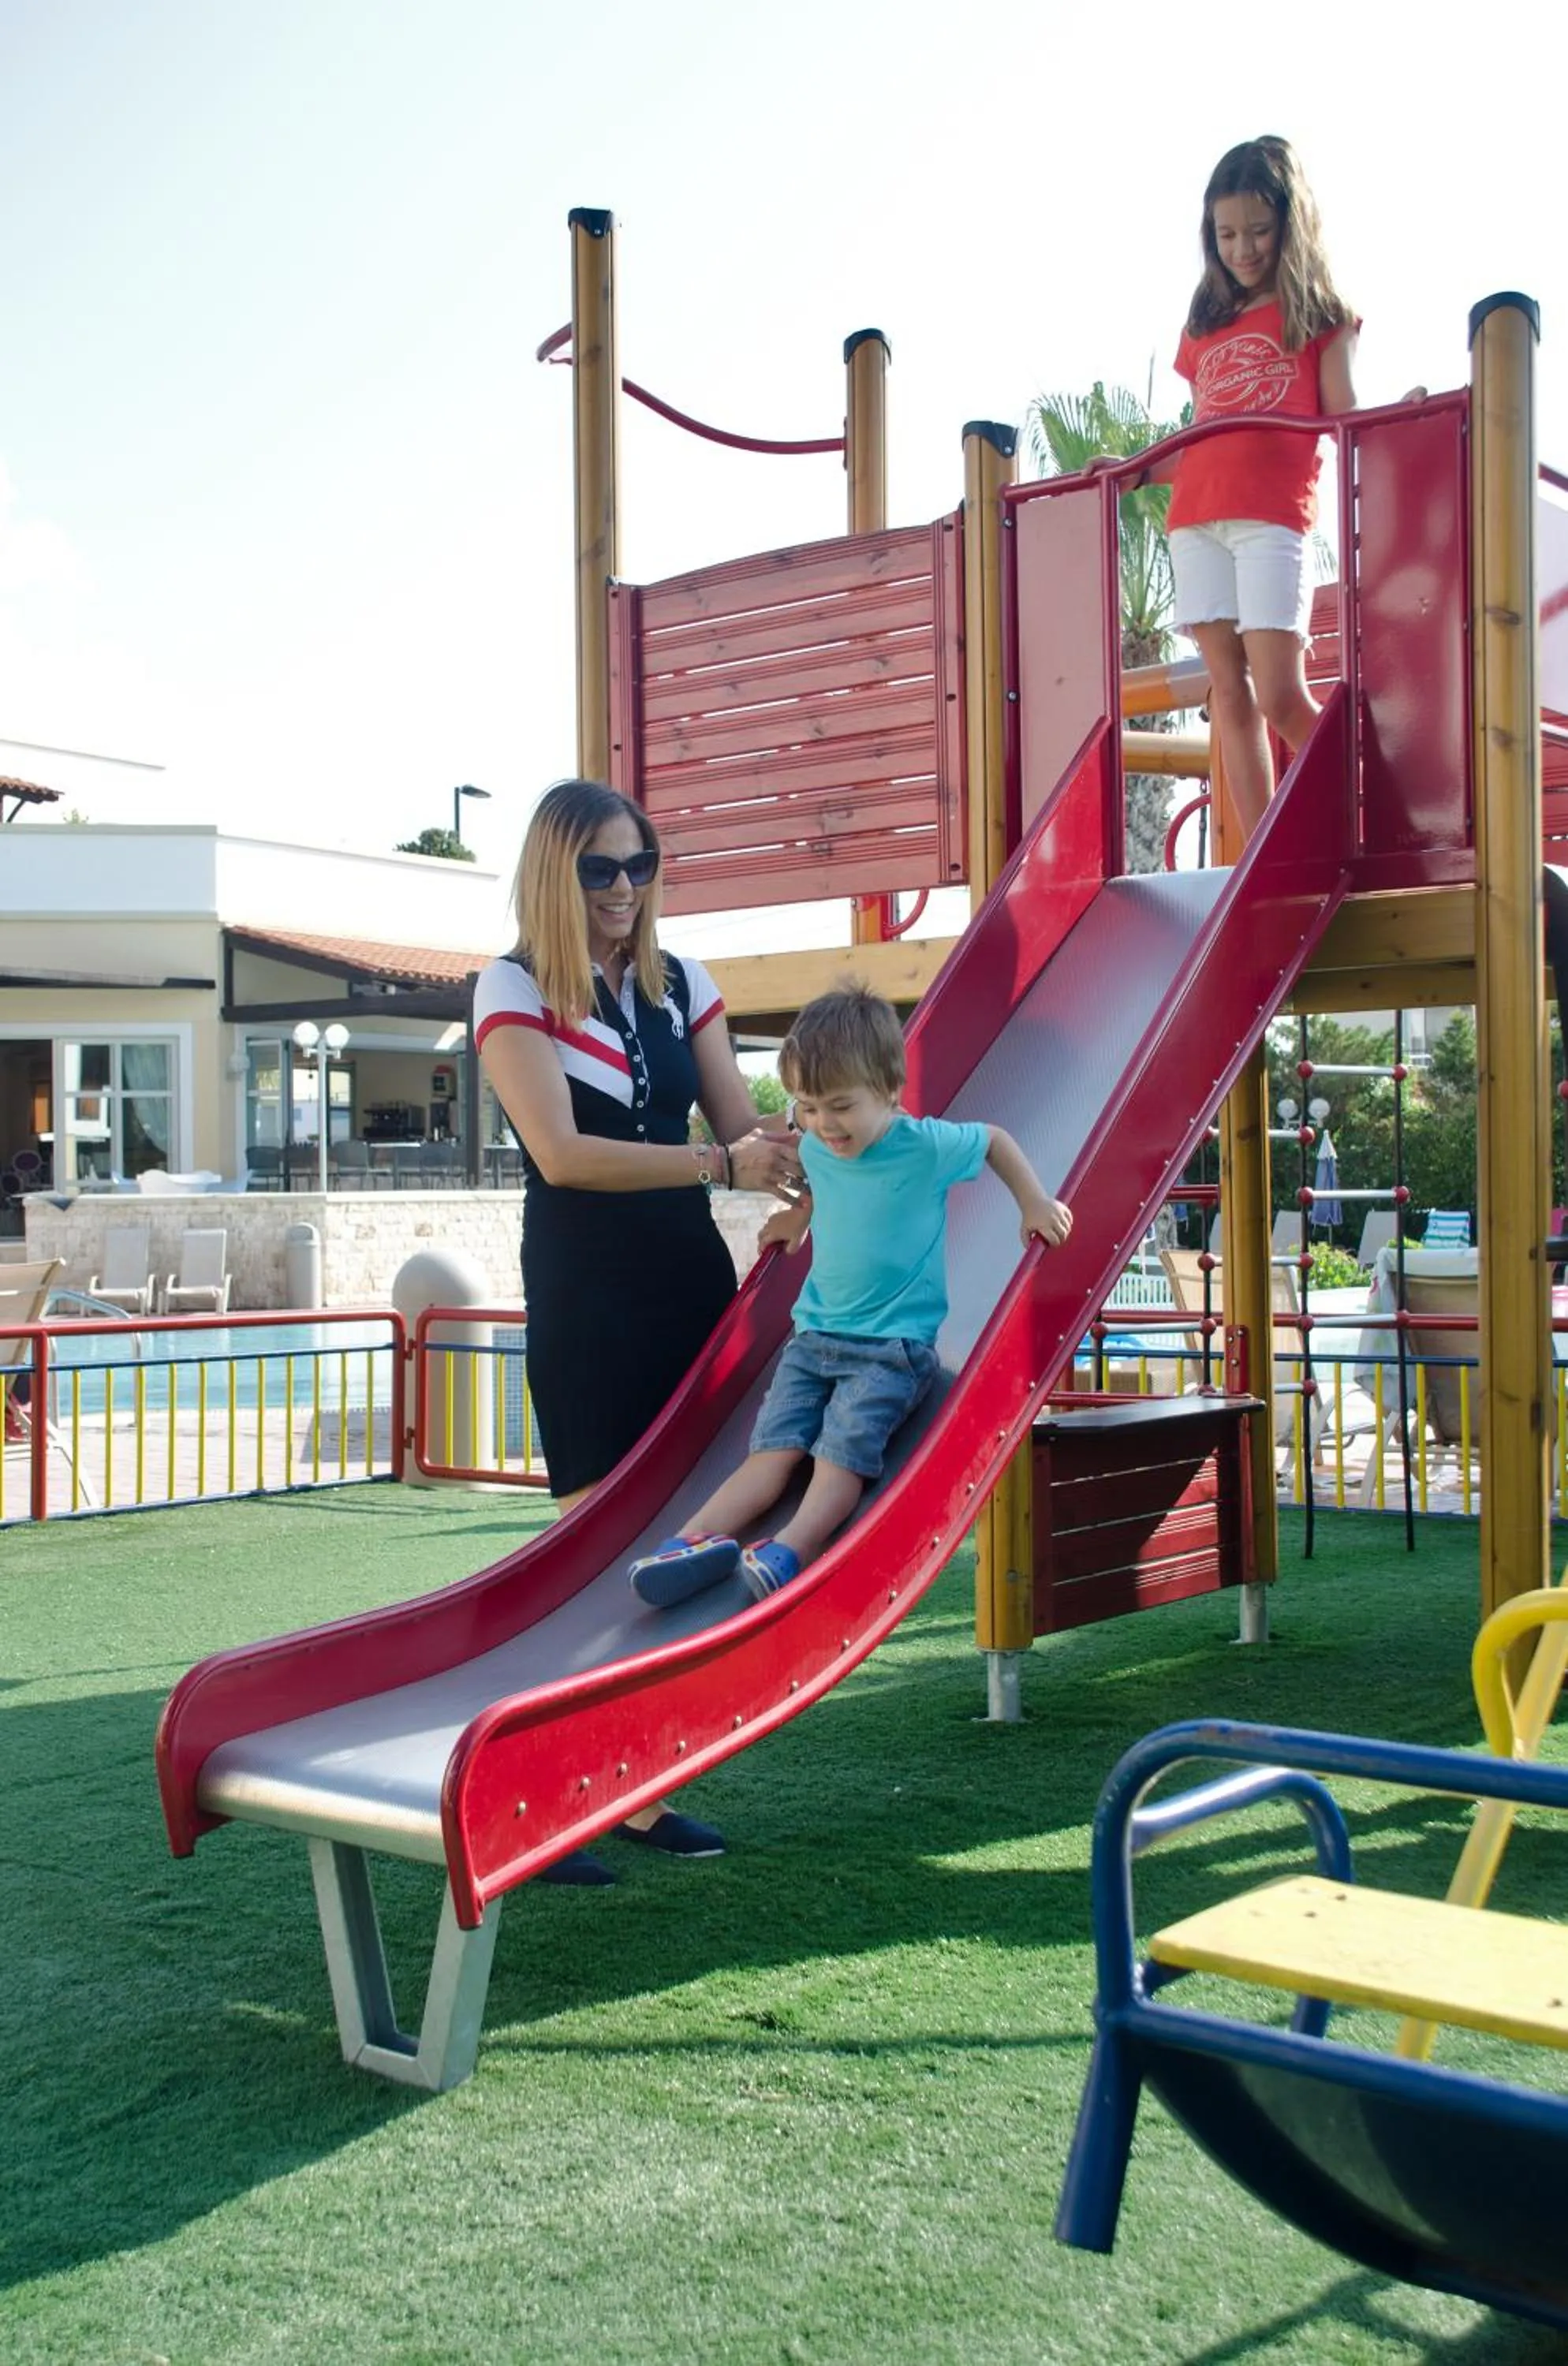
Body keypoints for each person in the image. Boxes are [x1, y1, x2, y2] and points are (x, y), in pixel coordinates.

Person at [474, 778, 800, 1879]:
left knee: (681, 1549)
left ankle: (638, 1793)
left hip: (688, 1285)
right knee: (592, 1559)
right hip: (586, 1289)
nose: (624, 888)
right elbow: (564, 1155)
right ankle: (525, 1792)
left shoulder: (680, 984)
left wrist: (823, 1153)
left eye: (639, 865)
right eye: (599, 869)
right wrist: (723, 1165)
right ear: (553, 875)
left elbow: (746, 1126)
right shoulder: (509, 987)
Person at [627, 983, 1072, 1608]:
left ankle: (793, 1548)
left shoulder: (923, 1145)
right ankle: (687, 1544)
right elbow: (822, 1179)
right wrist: (798, 1217)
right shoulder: (816, 1143)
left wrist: (1033, 1201)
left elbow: (995, 1139)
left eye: (839, 1107)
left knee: (839, 1461)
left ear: (890, 1090)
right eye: (806, 1107)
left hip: (892, 1350)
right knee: (771, 1455)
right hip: (812, 1339)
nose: (822, 1125)